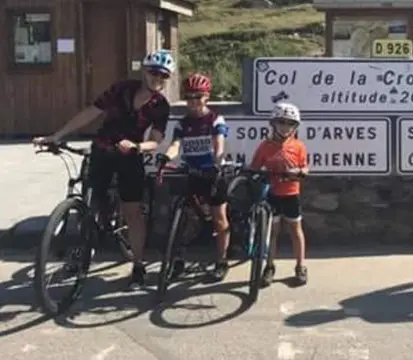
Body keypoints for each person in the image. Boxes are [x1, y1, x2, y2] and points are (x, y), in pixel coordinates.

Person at [32, 49, 176, 289]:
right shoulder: (121, 89)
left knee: (133, 213)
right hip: (102, 150)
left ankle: (138, 265)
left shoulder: (160, 105)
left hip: (129, 157)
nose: (158, 79)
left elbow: (156, 140)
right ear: (144, 72)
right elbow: (91, 112)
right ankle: (81, 252)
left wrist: (137, 146)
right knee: (90, 205)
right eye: (153, 73)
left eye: (163, 76)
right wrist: (57, 135)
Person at [160, 73, 232, 282]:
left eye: (198, 96)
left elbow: (219, 143)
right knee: (182, 217)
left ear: (206, 97)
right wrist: (166, 157)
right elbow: (176, 145)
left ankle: (221, 261)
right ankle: (179, 260)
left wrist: (217, 162)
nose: (193, 101)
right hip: (191, 172)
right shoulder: (183, 123)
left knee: (220, 219)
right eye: (189, 97)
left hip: (212, 172)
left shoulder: (215, 119)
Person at [249, 102, 309, 286]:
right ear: (273, 123)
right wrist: (257, 175)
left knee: (295, 230)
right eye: (281, 122)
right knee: (272, 232)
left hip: (291, 193)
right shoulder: (265, 146)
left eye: (290, 124)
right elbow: (255, 168)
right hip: (272, 194)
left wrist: (300, 172)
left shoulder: (298, 145)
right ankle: (269, 266)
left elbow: (305, 166)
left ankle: (300, 266)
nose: (285, 127)